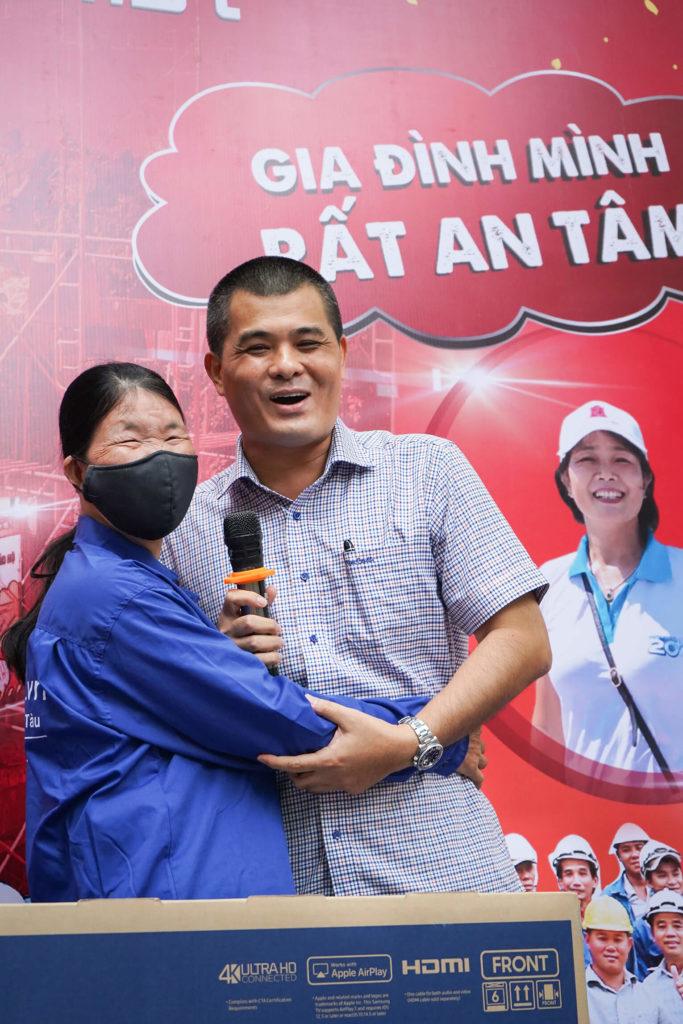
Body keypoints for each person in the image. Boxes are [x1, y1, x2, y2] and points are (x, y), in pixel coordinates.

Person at [0, 362, 471, 902]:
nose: (160, 456)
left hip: (155, 900)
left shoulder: (118, 582)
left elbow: (179, 704)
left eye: (173, 436)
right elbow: (275, 718)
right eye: (131, 440)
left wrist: (215, 654)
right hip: (162, 909)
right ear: (77, 472)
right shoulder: (116, 595)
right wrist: (435, 734)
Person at [162, 255, 551, 896]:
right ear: (216, 371)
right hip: (276, 889)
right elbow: (163, 705)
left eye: (308, 342)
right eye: (257, 348)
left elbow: (524, 639)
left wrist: (410, 742)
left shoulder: (427, 471)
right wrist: (218, 661)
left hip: (444, 872)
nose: (286, 365)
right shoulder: (183, 529)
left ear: (341, 354)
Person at [533, 400, 683, 778]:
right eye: (587, 459)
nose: (606, 473)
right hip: (583, 812)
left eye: (621, 459)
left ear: (644, 480)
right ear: (567, 481)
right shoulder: (547, 583)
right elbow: (548, 725)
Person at [583, 895, 663, 1024]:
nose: (611, 947)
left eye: (617, 939)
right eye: (603, 938)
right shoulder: (575, 995)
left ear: (629, 944)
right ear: (587, 940)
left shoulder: (648, 995)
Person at [633, 842, 683, 978]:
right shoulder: (641, 928)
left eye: (676, 873)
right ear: (648, 881)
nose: (672, 881)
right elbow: (641, 977)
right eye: (662, 875)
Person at [642, 890, 683, 1021]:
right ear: (652, 934)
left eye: (677, 925)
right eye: (661, 926)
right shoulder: (648, 987)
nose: (670, 933)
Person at [603, 822, 651, 922]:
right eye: (626, 850)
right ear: (618, 855)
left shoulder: (663, 887)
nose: (635, 854)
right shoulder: (609, 896)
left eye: (639, 848)